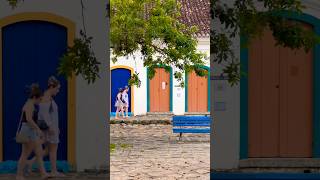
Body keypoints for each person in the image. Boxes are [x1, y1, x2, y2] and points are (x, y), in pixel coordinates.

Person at [27, 76, 65, 177]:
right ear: (52, 87)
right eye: (57, 89)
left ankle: (31, 162)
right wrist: (51, 127)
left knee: (48, 150)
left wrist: (55, 127)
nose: (58, 91)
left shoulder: (48, 97)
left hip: (51, 128)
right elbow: (44, 114)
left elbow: (49, 114)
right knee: (53, 150)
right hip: (50, 129)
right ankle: (54, 171)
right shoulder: (47, 98)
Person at [16, 84, 49, 180]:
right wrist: (38, 129)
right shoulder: (29, 105)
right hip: (27, 130)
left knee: (38, 152)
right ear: (34, 97)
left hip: (29, 130)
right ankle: (19, 175)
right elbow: (29, 120)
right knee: (25, 153)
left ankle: (43, 173)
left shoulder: (30, 104)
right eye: (39, 99)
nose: (40, 101)